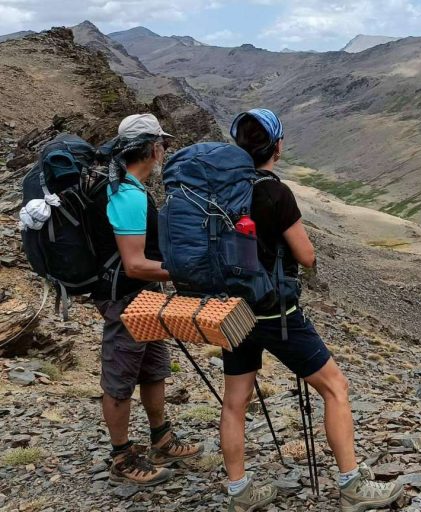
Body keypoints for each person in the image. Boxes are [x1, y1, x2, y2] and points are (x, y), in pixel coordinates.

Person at [220, 108, 404, 512]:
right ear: (277, 146)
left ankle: (239, 491)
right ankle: (352, 485)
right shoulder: (275, 193)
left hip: (233, 312)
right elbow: (306, 255)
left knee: (235, 401)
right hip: (275, 313)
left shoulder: (223, 189)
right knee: (335, 387)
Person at [89, 114, 202, 486]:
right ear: (153, 148)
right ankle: (122, 458)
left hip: (143, 298)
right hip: (125, 299)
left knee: (154, 367)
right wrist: (187, 273)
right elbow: (135, 264)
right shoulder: (127, 194)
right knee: (120, 378)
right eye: (163, 145)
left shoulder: (126, 186)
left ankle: (162, 440)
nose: (164, 151)